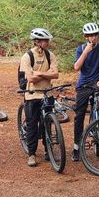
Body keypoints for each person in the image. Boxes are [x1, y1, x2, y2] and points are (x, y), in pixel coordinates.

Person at [71, 22, 99, 162]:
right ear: (86, 37)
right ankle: (77, 147)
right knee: (79, 115)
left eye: (95, 35)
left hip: (97, 82)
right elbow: (76, 67)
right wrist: (85, 52)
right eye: (90, 35)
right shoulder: (80, 49)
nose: (93, 37)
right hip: (83, 85)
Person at [21, 28, 60, 168]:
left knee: (47, 123)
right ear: (37, 42)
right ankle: (31, 154)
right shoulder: (27, 57)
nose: (48, 42)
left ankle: (48, 150)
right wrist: (46, 73)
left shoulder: (50, 55)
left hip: (47, 93)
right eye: (45, 40)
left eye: (48, 40)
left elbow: (56, 75)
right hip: (32, 95)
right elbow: (30, 78)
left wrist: (38, 73)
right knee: (32, 125)